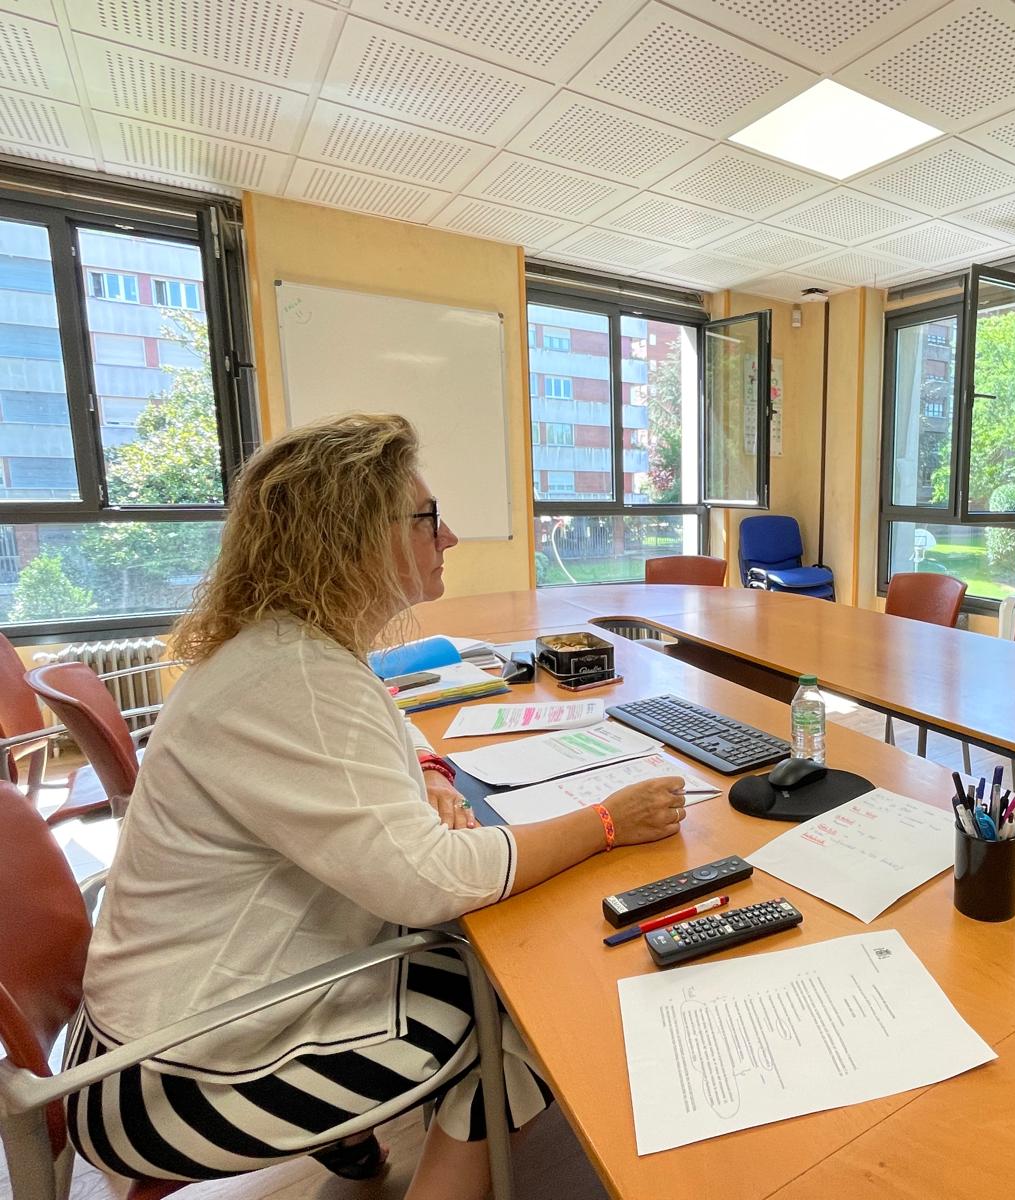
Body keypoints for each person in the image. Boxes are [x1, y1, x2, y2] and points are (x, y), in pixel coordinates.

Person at [64, 414, 689, 1198]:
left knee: (477, 952)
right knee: (529, 1009)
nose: (450, 537)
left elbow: (384, 728)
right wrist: (605, 824)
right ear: (351, 538)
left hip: (155, 1023)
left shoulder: (287, 650)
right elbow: (432, 881)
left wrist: (426, 769)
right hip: (169, 1081)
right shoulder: (296, 677)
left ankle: (368, 1145)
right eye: (427, 519)